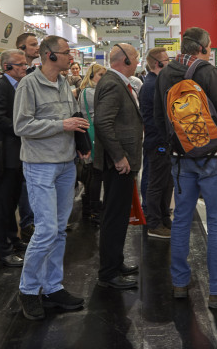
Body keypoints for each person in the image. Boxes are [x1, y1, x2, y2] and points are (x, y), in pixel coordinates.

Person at [154, 26, 217, 309]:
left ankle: (180, 282)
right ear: (203, 47)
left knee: (181, 219)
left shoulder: (166, 73)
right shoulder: (207, 71)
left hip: (181, 161)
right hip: (215, 159)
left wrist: (169, 150)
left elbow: (160, 118)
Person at [13, 35, 90, 321]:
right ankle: (29, 290)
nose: (72, 57)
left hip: (65, 164)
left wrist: (80, 144)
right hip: (40, 166)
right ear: (50, 55)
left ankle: (53, 287)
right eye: (67, 53)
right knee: (45, 230)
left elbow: (71, 120)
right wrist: (62, 124)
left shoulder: (63, 83)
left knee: (58, 229)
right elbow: (21, 125)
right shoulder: (28, 85)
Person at [94, 43, 143, 290]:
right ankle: (108, 273)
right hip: (118, 164)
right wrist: (119, 156)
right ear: (124, 59)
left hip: (121, 161)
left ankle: (116, 262)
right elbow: (102, 122)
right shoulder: (113, 83)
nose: (137, 61)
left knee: (119, 215)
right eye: (134, 56)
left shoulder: (117, 81)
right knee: (114, 217)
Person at [0, 49, 28, 268]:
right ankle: (3, 251)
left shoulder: (19, 86)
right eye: (19, 64)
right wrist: (21, 129)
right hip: (6, 155)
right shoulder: (1, 86)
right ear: (7, 67)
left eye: (24, 64)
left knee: (12, 201)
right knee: (3, 204)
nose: (24, 67)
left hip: (16, 154)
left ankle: (14, 239)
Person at [139, 47, 173, 239]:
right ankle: (154, 223)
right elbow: (156, 119)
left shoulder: (157, 82)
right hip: (158, 142)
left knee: (166, 183)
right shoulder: (152, 85)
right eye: (167, 60)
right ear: (158, 64)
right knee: (157, 183)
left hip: (162, 142)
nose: (169, 63)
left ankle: (163, 218)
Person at [15, 32, 39, 241]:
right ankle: (27, 224)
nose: (37, 48)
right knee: (24, 185)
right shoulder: (19, 80)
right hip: (19, 143)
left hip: (33, 143)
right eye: (33, 45)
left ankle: (33, 222)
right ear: (22, 48)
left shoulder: (34, 73)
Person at [78, 63, 107, 222]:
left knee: (92, 174)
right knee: (96, 174)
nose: (103, 79)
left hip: (91, 134)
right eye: (100, 75)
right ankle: (93, 209)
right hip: (94, 134)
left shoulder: (87, 91)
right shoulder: (91, 92)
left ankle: (89, 207)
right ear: (91, 76)